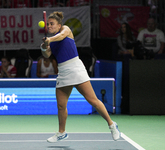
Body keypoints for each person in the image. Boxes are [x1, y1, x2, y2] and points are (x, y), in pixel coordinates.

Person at [40, 11, 121, 143]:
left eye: (51, 24)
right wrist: (44, 46)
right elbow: (47, 55)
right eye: (47, 24)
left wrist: (50, 39)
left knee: (93, 100)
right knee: (61, 105)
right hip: (63, 71)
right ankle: (62, 132)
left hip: (75, 68)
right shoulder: (51, 41)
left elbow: (61, 36)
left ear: (59, 24)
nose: (49, 26)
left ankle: (112, 125)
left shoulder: (65, 30)